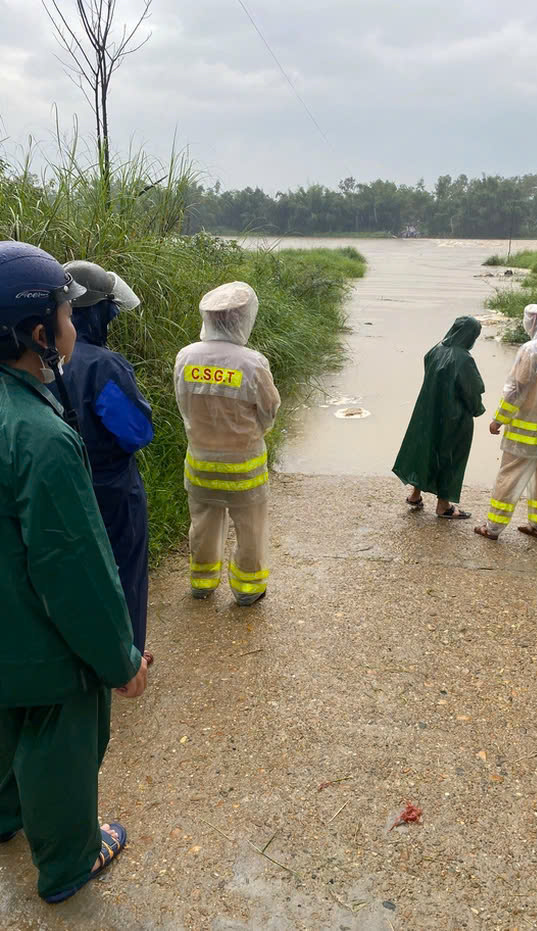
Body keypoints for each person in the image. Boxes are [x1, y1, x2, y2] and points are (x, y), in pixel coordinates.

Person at [0, 241, 147, 904]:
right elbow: (74, 570)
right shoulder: (41, 435)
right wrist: (119, 659)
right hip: (40, 638)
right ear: (38, 332)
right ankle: (68, 861)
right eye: (64, 311)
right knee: (60, 740)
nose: (72, 321)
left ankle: (7, 817)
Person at [57, 260, 154, 664]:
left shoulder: (42, 357)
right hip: (111, 487)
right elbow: (135, 432)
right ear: (95, 310)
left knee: (71, 568)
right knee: (125, 567)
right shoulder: (103, 365)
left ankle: (76, 648)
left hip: (64, 483)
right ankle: (126, 656)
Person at [174, 282, 280, 605]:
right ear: (243, 318)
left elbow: (183, 404)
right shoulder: (252, 364)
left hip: (201, 464)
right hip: (243, 470)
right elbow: (270, 409)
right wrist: (251, 433)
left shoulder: (186, 357)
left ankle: (202, 584)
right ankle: (248, 592)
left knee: (203, 527)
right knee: (251, 532)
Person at [474, 304, 537, 541]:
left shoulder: (532, 350)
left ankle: (492, 527)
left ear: (533, 322)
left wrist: (499, 419)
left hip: (525, 430)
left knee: (509, 478)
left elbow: (516, 390)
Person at [393, 316, 485, 518]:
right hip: (454, 417)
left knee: (426, 450)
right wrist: (477, 409)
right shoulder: (463, 358)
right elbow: (472, 390)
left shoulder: (435, 349)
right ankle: (444, 506)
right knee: (451, 457)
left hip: (427, 412)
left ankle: (415, 495)